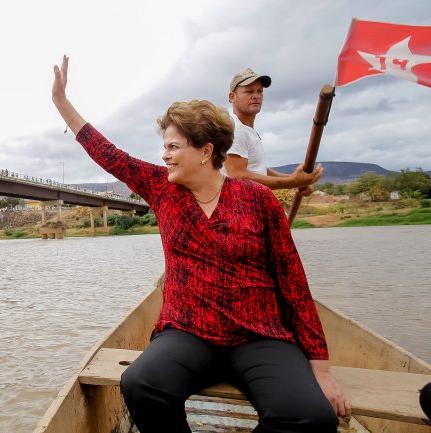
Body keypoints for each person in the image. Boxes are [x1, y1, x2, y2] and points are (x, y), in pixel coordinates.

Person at [52, 55, 349, 433]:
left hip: (259, 334)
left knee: (310, 416)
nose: (165, 155)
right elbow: (108, 154)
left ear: (206, 151)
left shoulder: (257, 201)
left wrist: (320, 368)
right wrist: (62, 104)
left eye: (174, 146)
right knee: (141, 384)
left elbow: (293, 284)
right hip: (188, 332)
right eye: (165, 146)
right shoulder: (163, 189)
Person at [223, 68, 322, 195]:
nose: (256, 96)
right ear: (232, 97)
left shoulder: (247, 129)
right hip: (241, 210)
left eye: (260, 91)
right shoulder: (236, 129)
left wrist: (296, 181)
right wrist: (293, 182)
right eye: (249, 91)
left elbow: (259, 170)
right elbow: (237, 175)